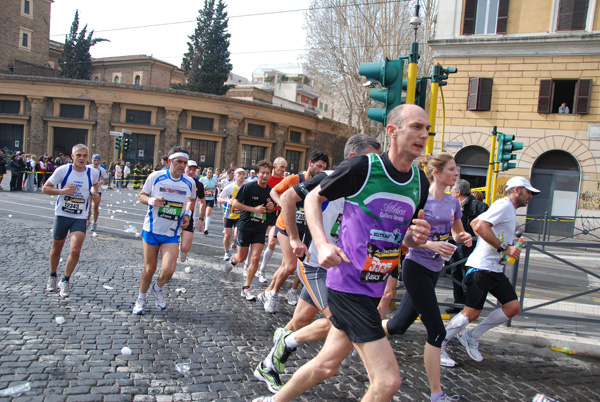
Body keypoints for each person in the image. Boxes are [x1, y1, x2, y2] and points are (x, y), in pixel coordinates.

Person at [252, 104, 432, 402]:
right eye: (416, 126)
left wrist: (417, 237)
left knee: (326, 365)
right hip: (348, 286)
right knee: (387, 382)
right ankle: (287, 344)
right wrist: (320, 242)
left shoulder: (419, 182)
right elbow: (310, 199)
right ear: (392, 131)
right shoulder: (362, 168)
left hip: (373, 286)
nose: (423, 134)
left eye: (427, 128)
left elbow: (406, 237)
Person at [254, 134, 381, 394]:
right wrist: (293, 238)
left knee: (300, 319)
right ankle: (285, 345)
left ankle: (269, 364)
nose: (376, 166)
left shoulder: (371, 187)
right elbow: (288, 198)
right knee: (340, 321)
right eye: (371, 160)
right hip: (315, 264)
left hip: (341, 268)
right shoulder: (329, 177)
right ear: (355, 159)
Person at [384, 153, 471, 402]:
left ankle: (360, 333)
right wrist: (429, 246)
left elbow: (457, 233)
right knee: (437, 332)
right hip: (416, 267)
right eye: (452, 170)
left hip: (434, 271)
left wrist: (463, 238)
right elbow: (402, 237)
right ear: (437, 172)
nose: (456, 174)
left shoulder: (453, 203)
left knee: (398, 326)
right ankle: (437, 395)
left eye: (457, 170)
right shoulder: (421, 200)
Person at [441, 176, 540, 367]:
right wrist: (504, 247)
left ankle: (471, 335)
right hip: (481, 267)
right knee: (470, 313)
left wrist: (495, 245)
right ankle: (439, 345)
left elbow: (476, 222)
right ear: (518, 190)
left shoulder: (508, 209)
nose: (531, 197)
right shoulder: (504, 205)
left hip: (494, 269)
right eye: (529, 192)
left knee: (512, 307)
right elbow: (479, 225)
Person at [257, 151, 329, 313]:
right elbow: (273, 191)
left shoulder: (320, 183)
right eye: (318, 166)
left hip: (305, 229)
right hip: (285, 226)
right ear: (310, 163)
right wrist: (283, 204)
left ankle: (267, 292)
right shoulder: (294, 179)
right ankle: (273, 295)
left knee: (290, 266)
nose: (320, 170)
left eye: (323, 168)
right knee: (290, 265)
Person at [132, 146, 196, 315]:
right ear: (169, 162)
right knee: (149, 269)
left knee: (168, 271)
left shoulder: (190, 182)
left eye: (185, 163)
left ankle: (157, 288)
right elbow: (141, 196)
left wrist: (187, 214)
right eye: (179, 162)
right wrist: (152, 201)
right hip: (152, 230)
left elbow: (191, 199)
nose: (183, 166)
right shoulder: (155, 177)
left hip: (172, 233)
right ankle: (141, 298)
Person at [43, 144, 101, 298]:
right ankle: (52, 275)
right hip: (62, 215)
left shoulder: (93, 173)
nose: (81, 158)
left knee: (75, 250)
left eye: (84, 156)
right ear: (72, 156)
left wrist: (94, 193)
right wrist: (62, 191)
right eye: (78, 155)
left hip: (79, 216)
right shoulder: (63, 170)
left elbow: (95, 184)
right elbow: (45, 188)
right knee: (57, 249)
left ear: (88, 157)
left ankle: (65, 279)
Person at [223, 160, 275, 301]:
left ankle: (246, 288)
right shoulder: (248, 187)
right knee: (242, 258)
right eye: (262, 172)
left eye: (268, 173)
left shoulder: (271, 191)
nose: (265, 175)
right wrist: (253, 209)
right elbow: (235, 203)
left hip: (260, 227)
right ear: (257, 173)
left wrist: (271, 207)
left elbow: (272, 208)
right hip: (245, 226)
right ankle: (233, 261)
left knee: (255, 258)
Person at [446, 179, 488, 314]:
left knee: (468, 276)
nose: (450, 192)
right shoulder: (451, 205)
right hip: (454, 246)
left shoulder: (479, 206)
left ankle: (467, 305)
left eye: (452, 190)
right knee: (455, 273)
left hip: (470, 247)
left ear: (458, 192)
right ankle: (458, 303)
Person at [256, 157, 288, 283]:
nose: (284, 170)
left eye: (285, 167)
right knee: (255, 243)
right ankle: (248, 265)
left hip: (274, 215)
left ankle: (262, 270)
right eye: (282, 167)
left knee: (272, 242)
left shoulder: (284, 181)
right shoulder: (265, 178)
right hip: (259, 213)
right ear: (275, 166)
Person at [178, 160, 206, 263]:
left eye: (194, 169)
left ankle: (182, 250)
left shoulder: (198, 184)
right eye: (189, 168)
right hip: (174, 215)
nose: (191, 171)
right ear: (185, 168)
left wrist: (201, 218)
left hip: (189, 217)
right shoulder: (177, 180)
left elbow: (202, 202)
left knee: (185, 247)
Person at [217, 168, 246, 261]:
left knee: (236, 235)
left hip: (241, 216)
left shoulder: (247, 187)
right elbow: (219, 198)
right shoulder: (230, 187)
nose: (241, 176)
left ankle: (235, 245)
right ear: (235, 176)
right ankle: (226, 252)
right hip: (229, 215)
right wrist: (227, 201)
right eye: (239, 174)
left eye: (243, 174)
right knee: (227, 235)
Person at [86, 154, 109, 231]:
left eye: (98, 161)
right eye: (94, 160)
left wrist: (103, 182)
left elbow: (107, 180)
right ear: (91, 160)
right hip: (88, 189)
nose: (96, 162)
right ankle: (87, 221)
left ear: (100, 161)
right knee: (88, 207)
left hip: (97, 190)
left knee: (95, 207)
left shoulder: (101, 170)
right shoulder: (87, 167)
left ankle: (94, 222)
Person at [200, 167, 218, 235]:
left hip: (210, 199)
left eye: (211, 172)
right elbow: (198, 188)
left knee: (208, 213)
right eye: (208, 172)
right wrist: (203, 188)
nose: (209, 174)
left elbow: (217, 186)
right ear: (206, 172)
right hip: (203, 199)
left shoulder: (214, 180)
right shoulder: (202, 180)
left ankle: (206, 229)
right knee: (203, 214)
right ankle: (203, 224)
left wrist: (219, 191)